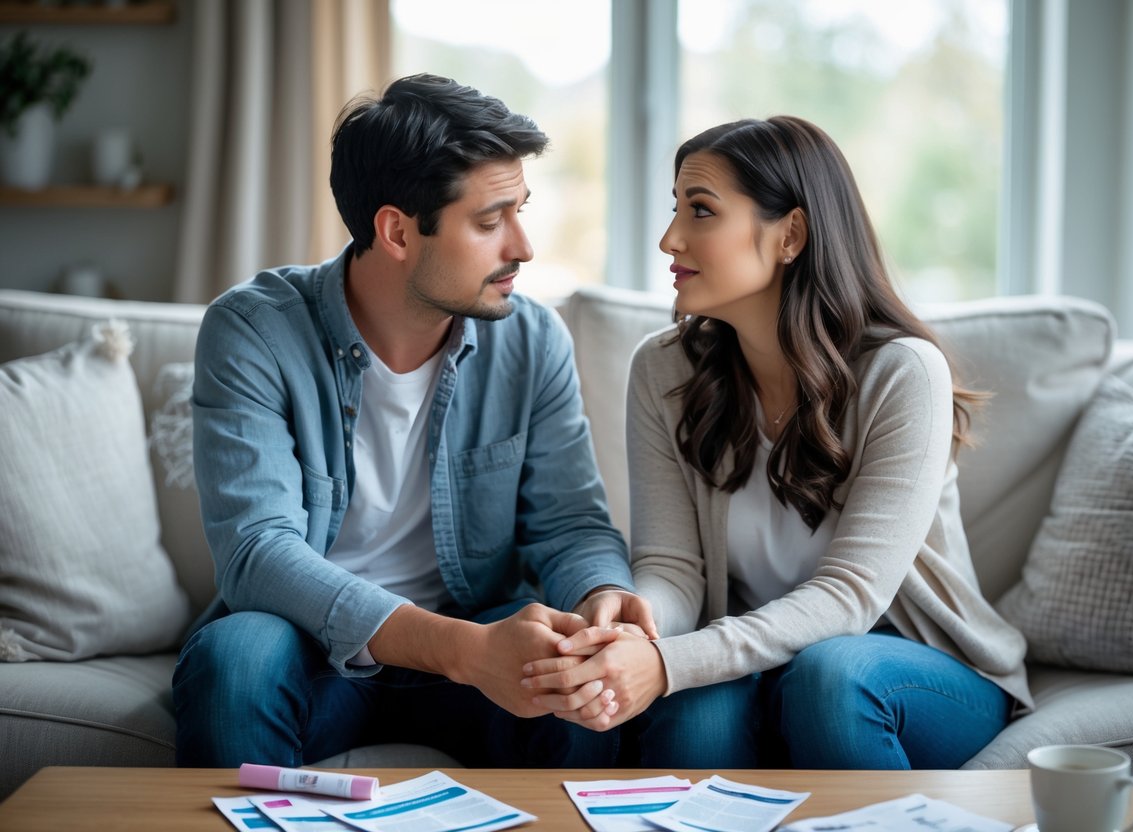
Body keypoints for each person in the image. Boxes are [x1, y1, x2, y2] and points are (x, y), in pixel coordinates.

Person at [173, 73, 655, 769]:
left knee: (569, 671)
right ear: (397, 230)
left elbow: (568, 524)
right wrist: (466, 651)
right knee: (236, 656)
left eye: (520, 211)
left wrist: (603, 596)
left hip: (481, 640)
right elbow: (257, 554)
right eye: (489, 222)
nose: (521, 246)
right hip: (315, 645)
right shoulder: (253, 330)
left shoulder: (531, 340)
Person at [521, 115, 1033, 769]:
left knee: (830, 679)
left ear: (790, 233)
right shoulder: (663, 368)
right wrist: (630, 633)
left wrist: (667, 660)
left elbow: (850, 595)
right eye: (674, 208)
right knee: (690, 718)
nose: (669, 237)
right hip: (760, 658)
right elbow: (673, 567)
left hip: (914, 673)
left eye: (700, 211)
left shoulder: (901, 373)